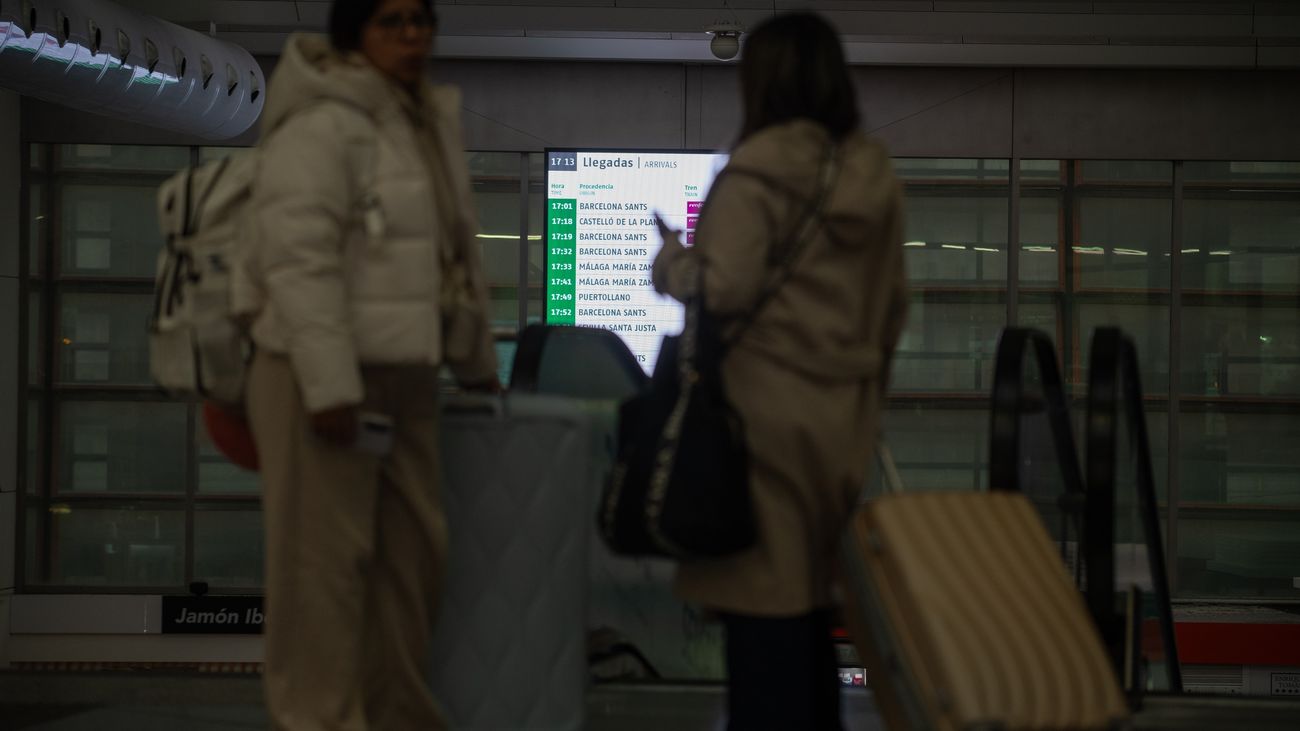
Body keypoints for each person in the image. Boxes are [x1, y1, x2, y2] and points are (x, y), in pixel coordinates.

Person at [243, 0, 498, 728]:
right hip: (313, 375)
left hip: (403, 375)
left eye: (421, 20)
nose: (413, 36)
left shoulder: (420, 123)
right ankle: (319, 719)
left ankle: (397, 717)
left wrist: (475, 361)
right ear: (355, 35)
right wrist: (328, 386)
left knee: (410, 564)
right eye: (392, 22)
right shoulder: (321, 124)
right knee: (320, 572)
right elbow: (299, 262)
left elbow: (452, 257)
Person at [651, 12, 908, 731]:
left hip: (758, 423)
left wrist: (670, 262)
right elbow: (892, 308)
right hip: (840, 422)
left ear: (760, 81)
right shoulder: (874, 178)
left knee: (764, 611)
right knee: (813, 606)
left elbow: (723, 288)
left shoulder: (757, 172)